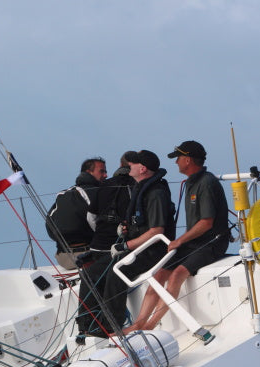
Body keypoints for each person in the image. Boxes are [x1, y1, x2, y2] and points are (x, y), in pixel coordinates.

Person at [124, 141, 229, 333]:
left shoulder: (206, 182)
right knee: (158, 276)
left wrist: (180, 240)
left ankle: (149, 326)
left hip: (212, 242)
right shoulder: (192, 182)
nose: (176, 163)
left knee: (177, 275)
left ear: (187, 160)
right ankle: (138, 324)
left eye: (179, 159)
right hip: (194, 242)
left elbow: (207, 222)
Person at [99, 149, 175, 334]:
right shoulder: (140, 187)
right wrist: (126, 229)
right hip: (139, 248)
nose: (128, 166)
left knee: (116, 273)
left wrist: (126, 246)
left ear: (142, 169)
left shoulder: (156, 193)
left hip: (153, 251)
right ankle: (90, 326)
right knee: (92, 272)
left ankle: (110, 329)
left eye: (132, 164)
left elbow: (157, 230)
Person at [75, 153, 136, 336]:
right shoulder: (137, 187)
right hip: (119, 247)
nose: (105, 174)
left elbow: (91, 217)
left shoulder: (103, 187)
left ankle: (87, 326)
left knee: (92, 276)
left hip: (97, 246)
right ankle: (107, 326)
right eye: (102, 171)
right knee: (110, 275)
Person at [45, 157, 106, 270]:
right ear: (89, 172)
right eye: (102, 171)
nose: (106, 175)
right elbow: (98, 223)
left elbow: (49, 224)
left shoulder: (63, 194)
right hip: (88, 258)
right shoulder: (97, 193)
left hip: (63, 258)